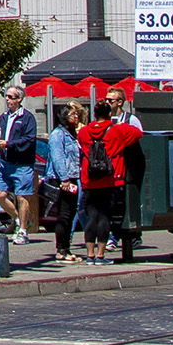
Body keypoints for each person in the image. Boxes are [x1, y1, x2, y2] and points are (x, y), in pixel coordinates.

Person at [75, 96, 125, 265]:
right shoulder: (117, 131)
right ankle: (101, 255)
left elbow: (81, 145)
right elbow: (137, 134)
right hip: (109, 180)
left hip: (89, 180)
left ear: (94, 114)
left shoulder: (84, 132)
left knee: (91, 217)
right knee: (105, 217)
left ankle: (89, 255)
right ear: (109, 114)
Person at [0, 85, 40, 245]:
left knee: (22, 196)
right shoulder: (4, 117)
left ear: (19, 99)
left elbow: (29, 139)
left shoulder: (27, 118)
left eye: (11, 97)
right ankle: (20, 220)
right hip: (5, 163)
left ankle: (23, 231)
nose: (7, 99)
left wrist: (9, 144)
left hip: (23, 164)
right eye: (6, 96)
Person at [104, 90, 145, 262]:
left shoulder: (131, 120)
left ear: (120, 102)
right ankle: (113, 237)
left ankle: (133, 235)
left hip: (130, 168)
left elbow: (138, 138)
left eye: (110, 100)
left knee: (130, 202)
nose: (107, 102)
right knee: (113, 205)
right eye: (105, 99)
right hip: (110, 170)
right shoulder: (104, 120)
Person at [45, 103, 86, 259]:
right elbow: (58, 158)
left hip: (73, 177)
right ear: (63, 117)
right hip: (63, 179)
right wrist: (65, 179)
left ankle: (66, 248)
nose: (76, 117)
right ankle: (61, 249)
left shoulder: (72, 134)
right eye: (72, 115)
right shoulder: (58, 135)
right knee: (64, 214)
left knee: (70, 212)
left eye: (76, 115)